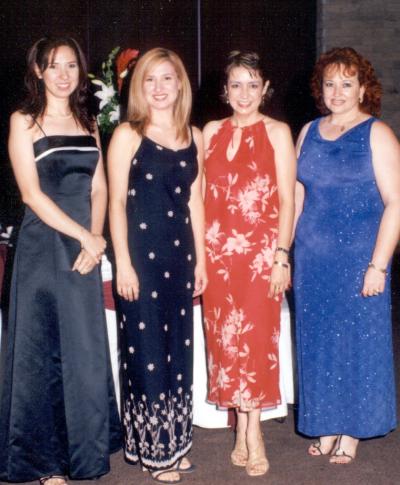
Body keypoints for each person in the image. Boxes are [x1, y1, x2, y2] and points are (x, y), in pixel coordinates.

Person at [0, 37, 121, 485]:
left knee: (84, 352)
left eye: (71, 65)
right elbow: (31, 195)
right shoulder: (23, 121)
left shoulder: (89, 119)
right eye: (54, 66)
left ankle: (83, 455)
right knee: (43, 354)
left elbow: (100, 186)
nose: (64, 75)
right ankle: (45, 463)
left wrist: (98, 237)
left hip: (84, 244)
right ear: (38, 71)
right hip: (43, 248)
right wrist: (86, 238)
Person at [294, 47, 400, 464]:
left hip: (359, 259)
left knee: (357, 342)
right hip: (312, 258)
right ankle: (327, 422)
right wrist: (284, 251)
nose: (337, 92)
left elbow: (396, 203)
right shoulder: (308, 131)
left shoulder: (377, 133)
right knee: (319, 341)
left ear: (362, 89)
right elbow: (298, 196)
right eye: (330, 83)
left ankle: (353, 429)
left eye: (347, 84)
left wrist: (379, 264)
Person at [108, 47, 207, 484]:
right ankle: (154, 452)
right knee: (146, 353)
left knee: (178, 349)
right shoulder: (128, 135)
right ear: (137, 86)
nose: (159, 88)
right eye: (150, 79)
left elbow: (196, 202)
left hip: (180, 255)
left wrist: (201, 259)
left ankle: (175, 440)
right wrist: (123, 264)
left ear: (180, 84)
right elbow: (113, 203)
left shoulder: (194, 134)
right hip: (141, 259)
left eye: (167, 78)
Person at [202, 51, 296, 476]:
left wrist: (281, 255)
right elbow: (198, 197)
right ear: (225, 90)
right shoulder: (210, 132)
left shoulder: (277, 132)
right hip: (218, 255)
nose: (244, 93)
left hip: (260, 257)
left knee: (256, 342)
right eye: (236, 84)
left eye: (252, 85)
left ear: (265, 89)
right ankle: (238, 427)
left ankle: (253, 431)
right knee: (225, 342)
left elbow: (288, 200)